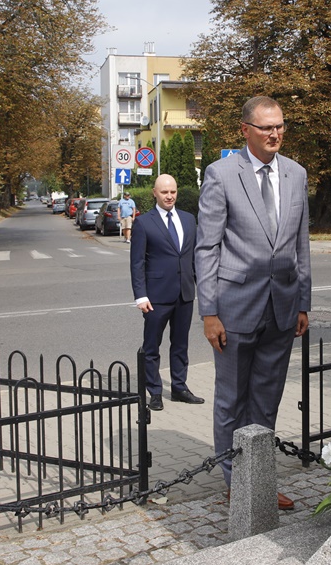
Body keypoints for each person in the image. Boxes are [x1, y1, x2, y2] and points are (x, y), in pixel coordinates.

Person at [195, 96, 311, 510]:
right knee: (231, 399)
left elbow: (300, 245)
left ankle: (258, 478)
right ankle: (234, 483)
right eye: (266, 128)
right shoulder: (222, 174)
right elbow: (206, 248)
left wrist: (303, 302)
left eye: (280, 126)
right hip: (234, 307)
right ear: (245, 130)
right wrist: (209, 312)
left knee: (266, 400)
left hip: (281, 307)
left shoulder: (296, 174)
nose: (275, 134)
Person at [130, 174, 204, 412]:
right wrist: (141, 296)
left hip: (184, 293)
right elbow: (137, 263)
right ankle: (155, 392)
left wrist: (202, 287)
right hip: (156, 297)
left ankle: (180, 387)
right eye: (164, 192)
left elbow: (193, 257)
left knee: (180, 344)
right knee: (152, 346)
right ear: (155, 193)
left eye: (172, 191)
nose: (169, 196)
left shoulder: (188, 219)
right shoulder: (144, 222)